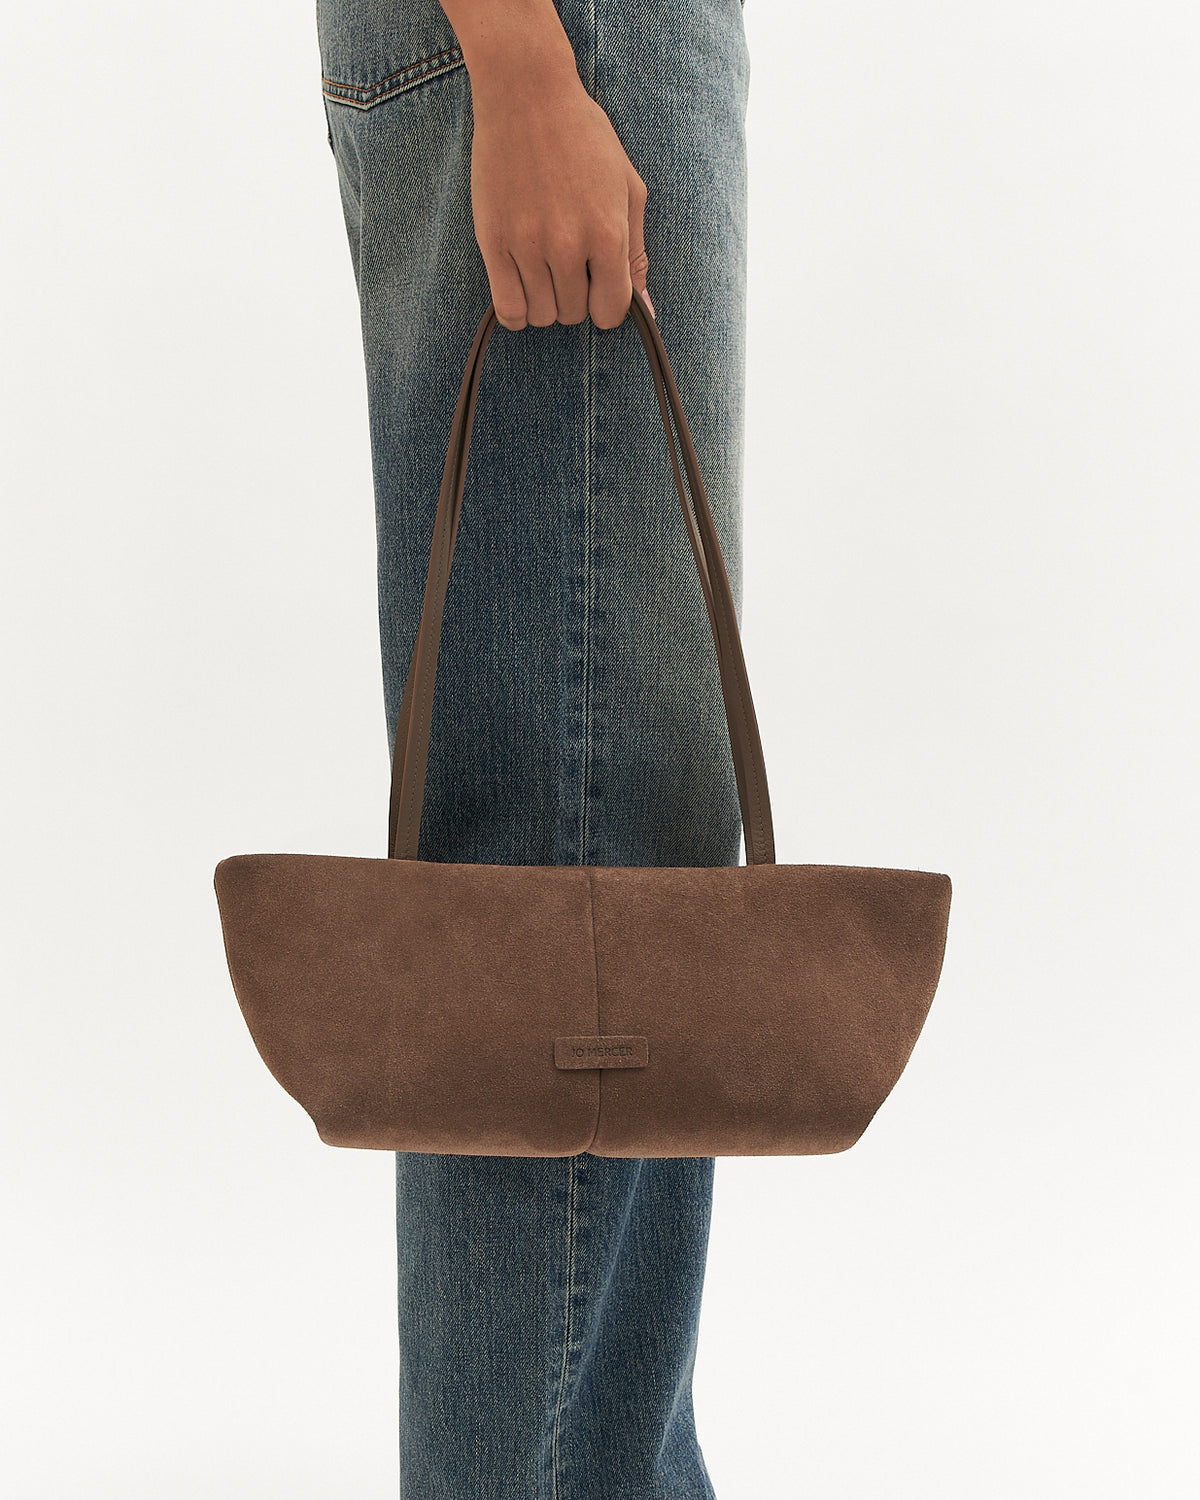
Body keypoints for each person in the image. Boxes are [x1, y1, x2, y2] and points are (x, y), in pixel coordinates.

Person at [316, 0, 750, 1493]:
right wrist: (521, 53)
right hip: (577, 37)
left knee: (597, 894)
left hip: (582, 46)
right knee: (569, 910)